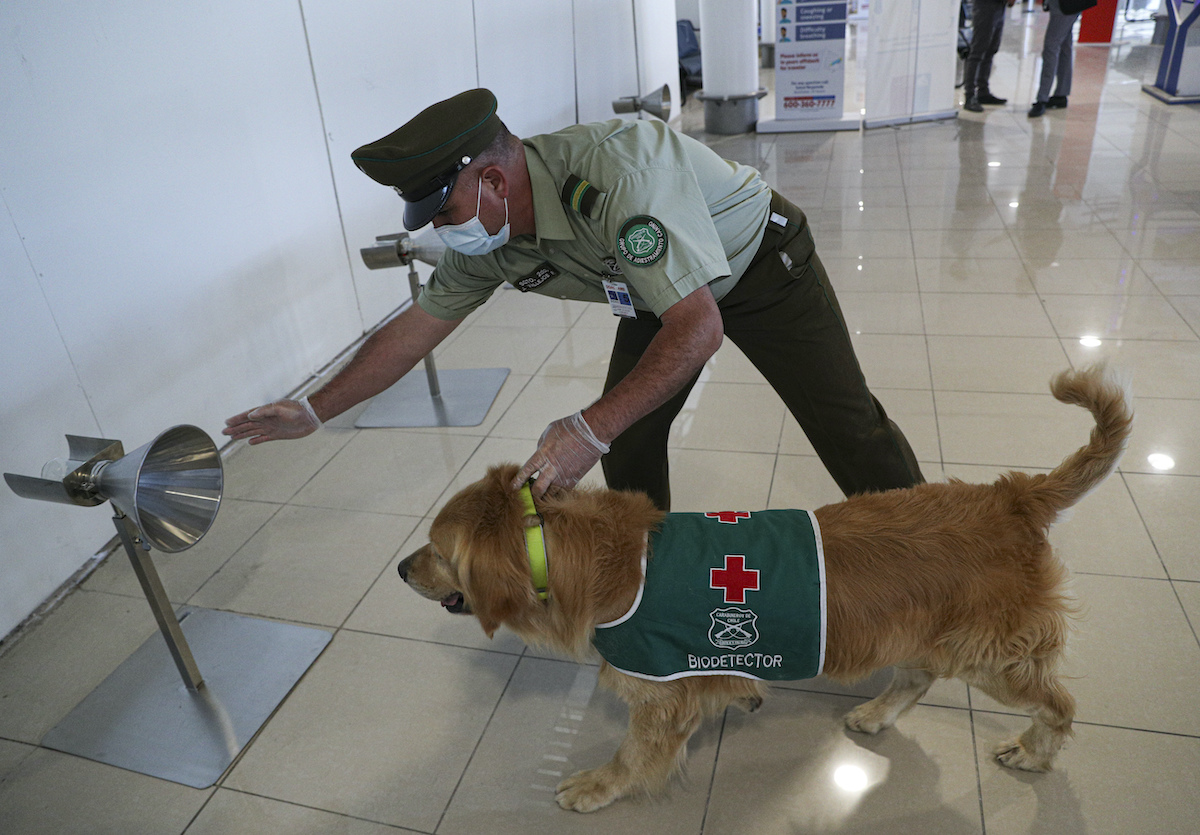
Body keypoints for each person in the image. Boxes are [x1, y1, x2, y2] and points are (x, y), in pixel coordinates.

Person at [224, 89, 924, 510]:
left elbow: (697, 325)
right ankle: (648, 576)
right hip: (658, 298)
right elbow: (418, 326)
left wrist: (585, 427)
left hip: (761, 267)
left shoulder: (618, 179)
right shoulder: (492, 236)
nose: (441, 229)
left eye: (445, 211)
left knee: (848, 428)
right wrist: (315, 408)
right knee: (631, 443)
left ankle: (946, 559)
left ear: (495, 181)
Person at [1028, 0, 1090, 117]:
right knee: (1064, 47)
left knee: (1051, 47)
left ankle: (1042, 98)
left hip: (1065, 6)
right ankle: (1061, 94)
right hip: (1063, 5)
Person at [962, 0, 1017, 113]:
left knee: (990, 50)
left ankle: (983, 91)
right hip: (985, 6)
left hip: (999, 7)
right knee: (977, 52)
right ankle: (969, 95)